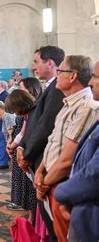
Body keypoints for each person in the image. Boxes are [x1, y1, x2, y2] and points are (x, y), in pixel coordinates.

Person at [34, 55, 97, 242]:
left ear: (72, 76)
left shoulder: (86, 107)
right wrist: (40, 169)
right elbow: (55, 142)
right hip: (50, 179)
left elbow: (67, 159)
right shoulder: (67, 102)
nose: (57, 75)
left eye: (60, 71)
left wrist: (44, 183)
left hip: (61, 183)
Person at [17, 46, 65, 239]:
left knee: (52, 220)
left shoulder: (57, 89)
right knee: (46, 215)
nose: (34, 67)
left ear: (50, 63)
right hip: (38, 159)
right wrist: (22, 146)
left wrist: (27, 155)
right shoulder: (51, 87)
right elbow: (35, 122)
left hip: (45, 162)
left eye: (37, 62)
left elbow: (45, 126)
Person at [55, 61, 99, 241]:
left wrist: (62, 193)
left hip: (91, 218)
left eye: (96, 77)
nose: (90, 82)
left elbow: (94, 174)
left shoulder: (87, 106)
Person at [4, 89, 39, 219]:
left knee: (32, 190)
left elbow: (34, 136)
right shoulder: (28, 114)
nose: (16, 114)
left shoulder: (35, 113)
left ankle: (32, 219)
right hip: (26, 153)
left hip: (33, 156)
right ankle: (31, 217)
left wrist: (23, 151)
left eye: (15, 110)